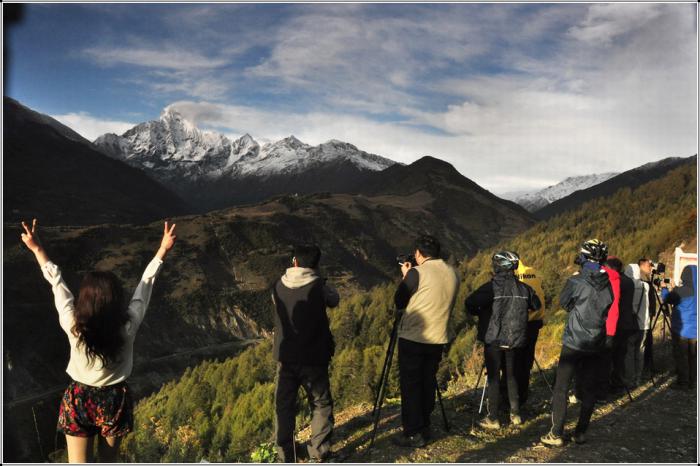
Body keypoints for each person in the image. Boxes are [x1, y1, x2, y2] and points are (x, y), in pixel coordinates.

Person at [20, 219, 177, 462]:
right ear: (116, 300)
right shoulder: (127, 326)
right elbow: (144, 288)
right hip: (115, 399)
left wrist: (37, 249)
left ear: (84, 299)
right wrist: (163, 250)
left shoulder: (73, 325)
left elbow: (57, 282)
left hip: (79, 397)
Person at [541, 239, 613, 447]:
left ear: (583, 257)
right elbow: (607, 308)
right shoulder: (608, 283)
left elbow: (565, 303)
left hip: (574, 341)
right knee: (589, 387)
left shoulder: (576, 281)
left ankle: (556, 433)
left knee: (561, 388)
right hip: (596, 342)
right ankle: (580, 432)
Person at [271, 244, 339, 462]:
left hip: (286, 358)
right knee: (320, 403)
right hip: (314, 357)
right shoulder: (319, 286)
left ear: (294, 262)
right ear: (316, 264)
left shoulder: (277, 286)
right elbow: (334, 300)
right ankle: (319, 452)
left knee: (284, 406)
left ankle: (285, 454)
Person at [392, 235, 459, 448]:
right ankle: (425, 424)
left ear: (419, 253)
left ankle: (413, 432)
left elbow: (399, 300)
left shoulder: (416, 273)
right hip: (438, 337)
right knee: (428, 380)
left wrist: (406, 275)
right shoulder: (453, 273)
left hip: (414, 336)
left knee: (411, 384)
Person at [465, 251, 541, 429]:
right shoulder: (524, 288)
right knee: (511, 375)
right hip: (515, 338)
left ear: (497, 267)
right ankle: (515, 414)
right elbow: (536, 305)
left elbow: (470, 303)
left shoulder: (491, 287)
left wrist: (482, 312)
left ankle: (493, 417)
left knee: (493, 377)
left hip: (494, 339)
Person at [513, 255, 546, 408]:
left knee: (513, 362)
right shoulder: (534, 272)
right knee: (526, 361)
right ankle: (524, 394)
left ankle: (512, 399)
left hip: (518, 323)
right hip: (535, 322)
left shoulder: (512, 275)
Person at [662, 265, 697, 390]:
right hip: (696, 331)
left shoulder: (681, 291)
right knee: (693, 357)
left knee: (681, 356)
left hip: (682, 330)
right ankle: (693, 382)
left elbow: (667, 299)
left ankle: (683, 382)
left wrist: (665, 289)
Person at [611, 260, 639, 390]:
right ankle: (620, 381)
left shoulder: (618, 282)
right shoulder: (629, 281)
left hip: (618, 323)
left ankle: (615, 382)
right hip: (628, 322)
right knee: (621, 354)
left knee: (614, 355)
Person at [623, 263, 651, 387]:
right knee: (640, 352)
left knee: (629, 352)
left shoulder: (628, 286)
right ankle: (638, 378)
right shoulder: (646, 286)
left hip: (631, 325)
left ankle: (630, 379)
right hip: (644, 324)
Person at [638, 258, 658, 375]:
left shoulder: (646, 278)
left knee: (647, 340)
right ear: (641, 266)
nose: (650, 268)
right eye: (648, 266)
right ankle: (646, 368)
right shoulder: (642, 278)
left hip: (647, 314)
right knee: (645, 342)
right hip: (643, 315)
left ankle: (647, 366)